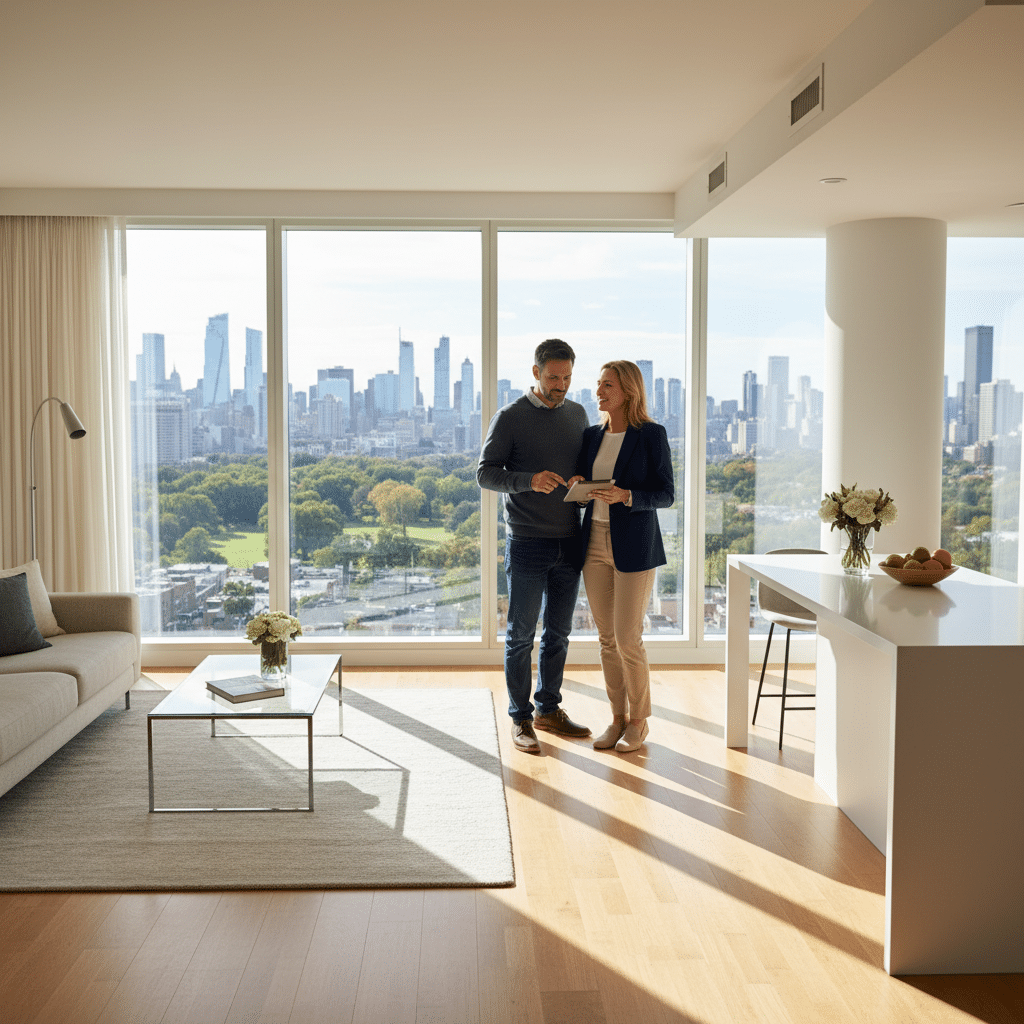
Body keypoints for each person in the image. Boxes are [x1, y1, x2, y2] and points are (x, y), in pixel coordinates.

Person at [477, 339, 592, 753]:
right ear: (535, 373)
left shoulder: (579, 414)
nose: (560, 385)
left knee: (558, 634)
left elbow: (584, 467)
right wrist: (529, 480)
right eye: (553, 377)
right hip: (526, 541)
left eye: (566, 377)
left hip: (570, 539)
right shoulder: (510, 417)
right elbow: (485, 474)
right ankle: (520, 718)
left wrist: (580, 480)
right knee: (521, 635)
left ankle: (548, 708)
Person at [571, 360, 674, 752]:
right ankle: (616, 718)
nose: (599, 391)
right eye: (598, 384)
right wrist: (579, 485)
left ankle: (639, 721)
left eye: (607, 385)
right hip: (593, 541)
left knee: (628, 638)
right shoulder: (591, 436)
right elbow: (585, 483)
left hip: (634, 544)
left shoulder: (651, 435)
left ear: (628, 390)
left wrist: (627, 496)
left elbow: (666, 494)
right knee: (606, 639)